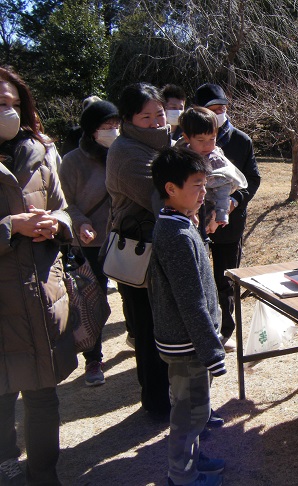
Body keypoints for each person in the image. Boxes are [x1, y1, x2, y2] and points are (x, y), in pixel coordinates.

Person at [0, 66, 77, 485]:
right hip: (4, 307)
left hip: (41, 295)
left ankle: (44, 475)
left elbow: (63, 206)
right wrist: (10, 227)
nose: (7, 112)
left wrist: (57, 224)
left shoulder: (38, 154)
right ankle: (7, 465)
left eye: (13, 103)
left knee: (44, 398)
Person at [150, 146, 226, 486]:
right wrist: (211, 350)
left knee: (196, 408)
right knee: (189, 413)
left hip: (189, 340)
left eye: (204, 183)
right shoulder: (176, 235)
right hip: (188, 344)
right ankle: (182, 475)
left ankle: (193, 459)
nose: (203, 191)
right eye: (196, 184)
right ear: (171, 189)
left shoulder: (177, 222)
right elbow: (191, 301)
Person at [105, 82, 172, 419]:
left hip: (160, 252)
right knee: (148, 329)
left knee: (165, 325)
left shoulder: (160, 146)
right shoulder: (126, 152)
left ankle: (166, 393)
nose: (156, 121)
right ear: (129, 119)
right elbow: (163, 197)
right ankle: (157, 402)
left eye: (159, 113)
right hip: (140, 256)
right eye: (146, 116)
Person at [194, 83, 261, 351]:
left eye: (222, 109)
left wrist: (235, 201)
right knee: (198, 277)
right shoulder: (184, 141)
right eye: (213, 109)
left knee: (225, 276)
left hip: (230, 221)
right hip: (196, 220)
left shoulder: (240, 140)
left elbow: (252, 178)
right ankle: (202, 327)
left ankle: (226, 329)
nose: (219, 114)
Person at [59, 99, 120, 386]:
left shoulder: (123, 153)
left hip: (124, 237)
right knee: (93, 302)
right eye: (106, 126)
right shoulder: (72, 161)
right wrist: (81, 222)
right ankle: (93, 360)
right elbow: (64, 204)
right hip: (91, 242)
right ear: (91, 130)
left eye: (116, 125)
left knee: (134, 297)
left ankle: (136, 335)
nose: (113, 131)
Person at [179, 106, 248, 231]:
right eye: (200, 140)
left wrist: (221, 213)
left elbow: (224, 187)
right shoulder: (179, 154)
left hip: (208, 211)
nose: (207, 145)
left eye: (212, 139)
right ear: (187, 138)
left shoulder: (215, 159)